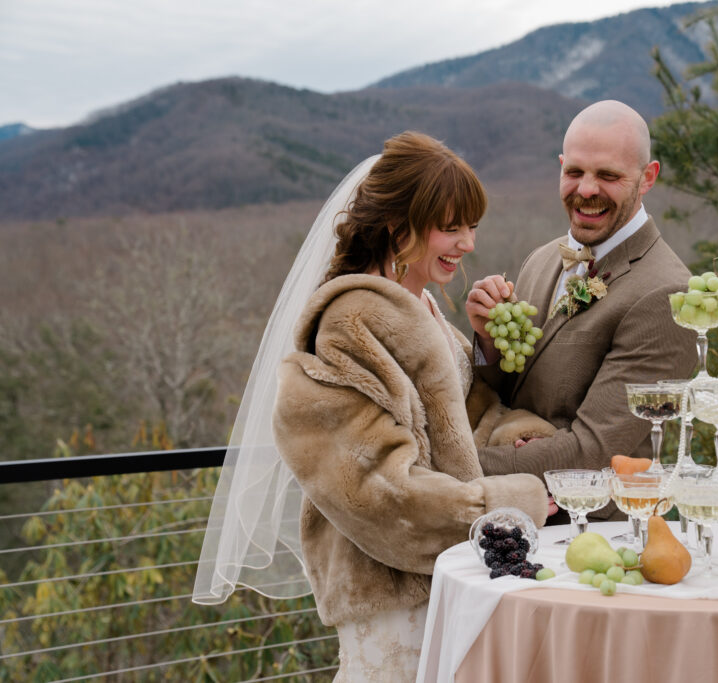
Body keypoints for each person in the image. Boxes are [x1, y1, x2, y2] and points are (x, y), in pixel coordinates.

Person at [193, 131, 552, 682]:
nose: (468, 243)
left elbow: (465, 421)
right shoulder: (350, 323)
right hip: (389, 594)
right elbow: (377, 490)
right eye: (450, 226)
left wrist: (519, 430)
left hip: (445, 578)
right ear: (397, 227)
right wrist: (511, 503)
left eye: (471, 225)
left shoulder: (422, 307)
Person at [466, 100, 697, 506]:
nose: (586, 190)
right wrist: (486, 341)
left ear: (648, 178)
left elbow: (592, 453)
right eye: (574, 172)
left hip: (588, 534)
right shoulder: (540, 259)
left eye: (608, 175)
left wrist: (449, 466)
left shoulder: (668, 294)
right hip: (509, 516)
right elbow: (515, 391)